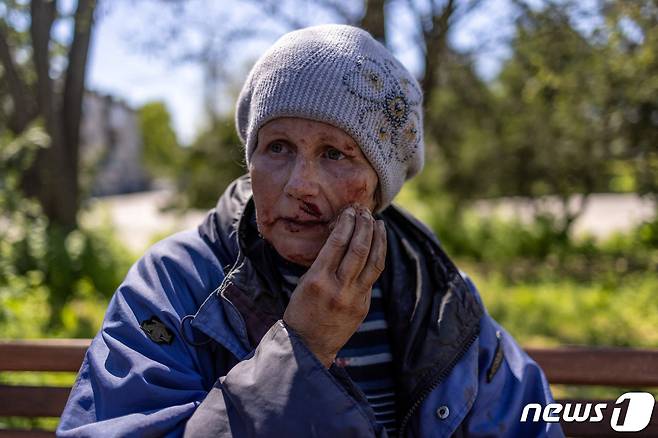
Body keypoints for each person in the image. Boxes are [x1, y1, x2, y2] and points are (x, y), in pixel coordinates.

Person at [57, 24, 563, 437]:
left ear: (380, 185)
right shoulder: (175, 284)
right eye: (277, 147)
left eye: (335, 154)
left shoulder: (436, 294)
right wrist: (300, 348)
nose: (300, 184)